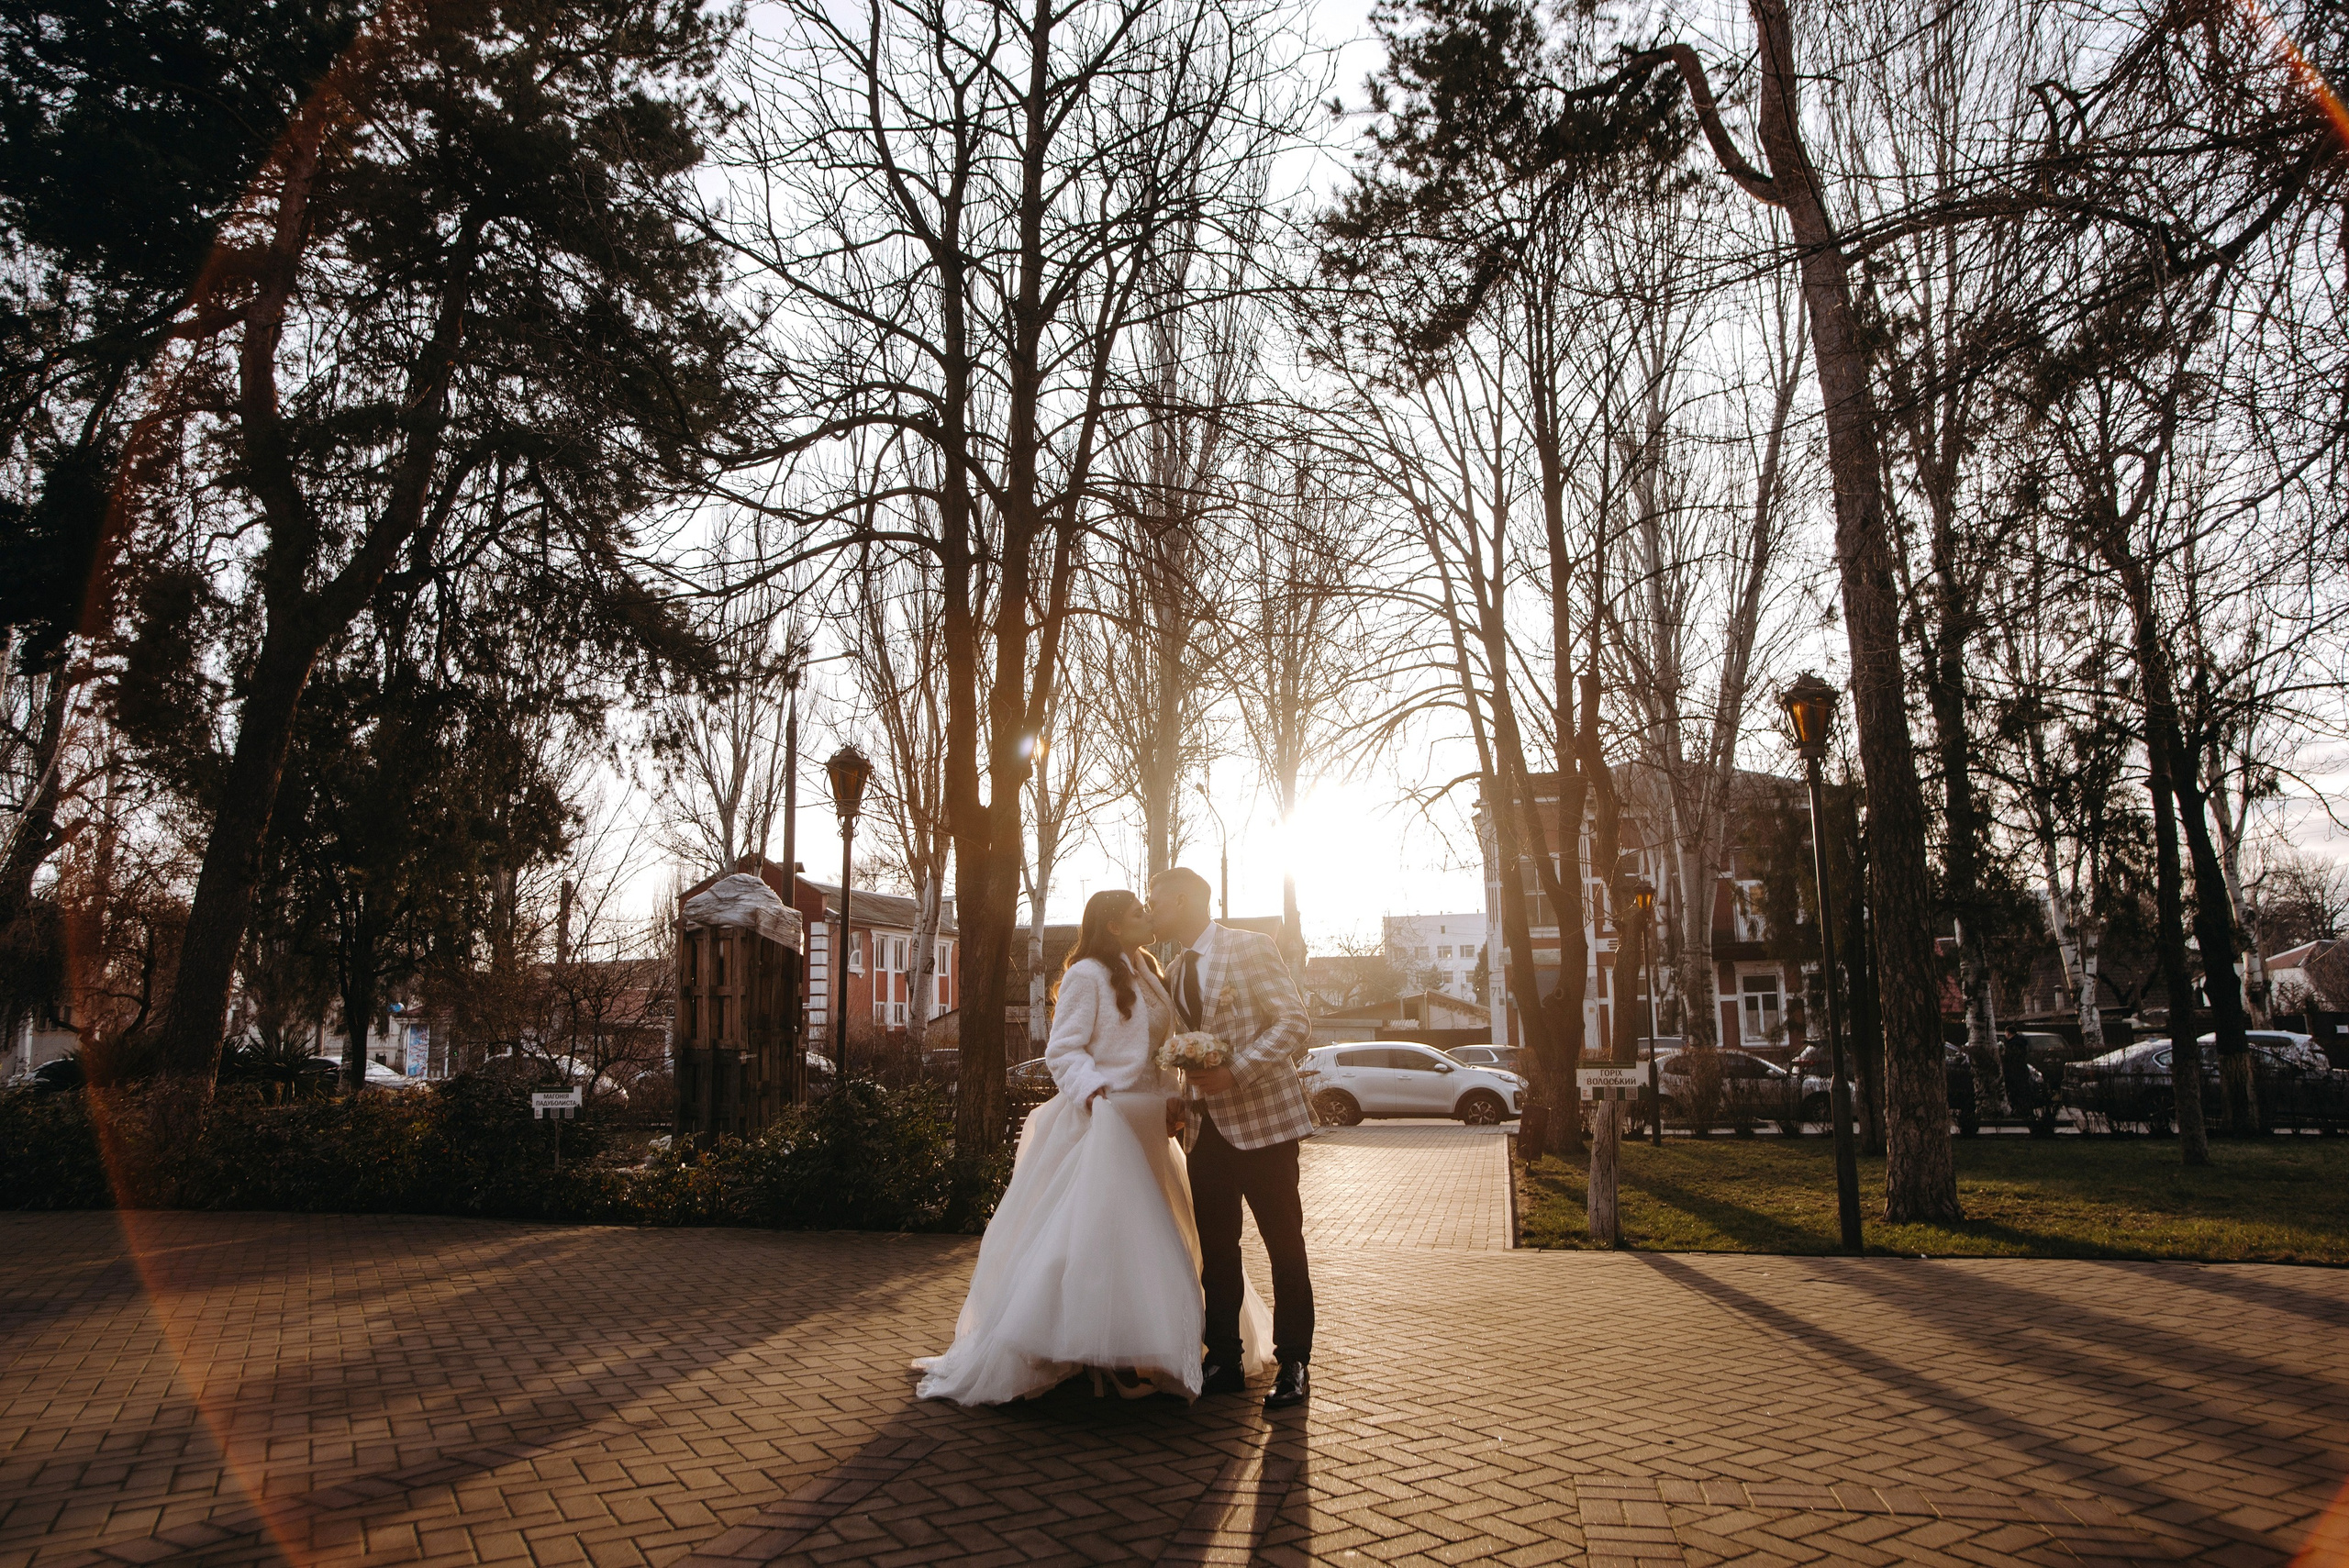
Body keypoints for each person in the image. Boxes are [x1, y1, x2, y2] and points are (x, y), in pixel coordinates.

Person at [911, 888, 1270, 1406]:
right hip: (1103, 1120)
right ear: (1112, 927)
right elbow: (1063, 1049)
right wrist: (1094, 1091)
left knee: (1148, 1235)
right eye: (1137, 913)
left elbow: (1158, 1052)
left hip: (1148, 1121)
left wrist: (1172, 1098)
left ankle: (1133, 1348)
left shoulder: (1149, 967)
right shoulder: (1086, 975)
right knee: (1096, 1237)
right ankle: (1092, 1353)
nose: (1149, 916)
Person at [1150, 865, 1316, 1412]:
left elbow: (1293, 1023)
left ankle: (1293, 1364)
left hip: (1266, 1126)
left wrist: (1236, 1072)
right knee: (1217, 1253)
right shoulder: (1171, 971)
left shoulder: (1250, 947)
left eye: (1155, 901)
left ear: (1182, 900)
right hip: (1205, 1132)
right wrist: (1180, 1093)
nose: (1150, 911)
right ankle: (1221, 1357)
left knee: (1283, 1246)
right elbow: (1187, 1048)